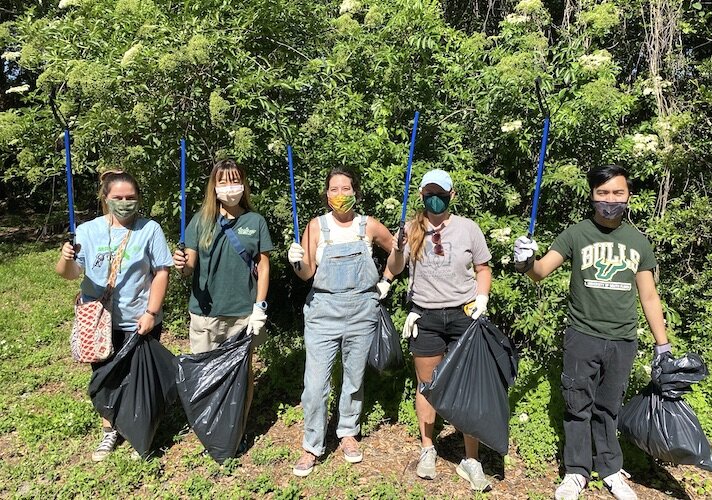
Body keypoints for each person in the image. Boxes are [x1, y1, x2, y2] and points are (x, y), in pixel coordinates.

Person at [513, 164, 670, 500]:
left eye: (617, 193)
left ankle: (611, 469)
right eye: (602, 193)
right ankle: (576, 472)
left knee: (608, 407)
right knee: (577, 406)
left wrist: (663, 345)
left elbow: (649, 295)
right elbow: (540, 271)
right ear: (592, 195)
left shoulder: (638, 242)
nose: (610, 200)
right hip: (582, 336)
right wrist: (524, 261)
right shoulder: (576, 234)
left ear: (628, 195)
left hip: (623, 340)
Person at [387, 169, 494, 493]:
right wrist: (396, 248)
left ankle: (471, 459)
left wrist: (482, 298)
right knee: (427, 386)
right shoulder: (410, 228)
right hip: (426, 317)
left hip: (463, 315)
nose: (436, 198)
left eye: (441, 192)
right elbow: (394, 269)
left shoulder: (468, 229)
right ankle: (427, 448)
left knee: (467, 386)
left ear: (452, 195)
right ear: (421, 196)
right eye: (430, 193)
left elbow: (483, 268)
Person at [55, 170, 173, 461]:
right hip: (97, 321)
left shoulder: (150, 230)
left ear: (138, 199)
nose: (124, 202)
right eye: (117, 197)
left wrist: (151, 312)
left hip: (139, 319)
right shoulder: (87, 231)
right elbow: (68, 274)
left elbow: (161, 272)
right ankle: (110, 430)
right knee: (104, 378)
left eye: (130, 197)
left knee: (138, 378)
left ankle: (139, 429)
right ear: (105, 198)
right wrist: (65, 258)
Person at [287, 167, 394, 477]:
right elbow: (306, 273)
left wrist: (387, 279)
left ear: (355, 193)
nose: (340, 194)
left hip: (363, 310)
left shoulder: (369, 226)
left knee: (354, 377)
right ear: (326, 194)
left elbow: (398, 252)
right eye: (334, 189)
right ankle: (312, 445)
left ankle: (347, 432)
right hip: (323, 312)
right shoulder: (316, 227)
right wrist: (297, 261)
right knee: (315, 384)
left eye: (346, 189)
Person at [172, 159, 273, 354]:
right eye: (223, 182)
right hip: (206, 315)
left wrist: (260, 306)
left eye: (235, 181)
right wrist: (181, 263)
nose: (230, 187)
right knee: (205, 375)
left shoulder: (256, 221)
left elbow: (263, 267)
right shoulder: (201, 220)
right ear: (214, 186)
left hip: (243, 313)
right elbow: (188, 266)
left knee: (242, 374)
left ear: (243, 184)